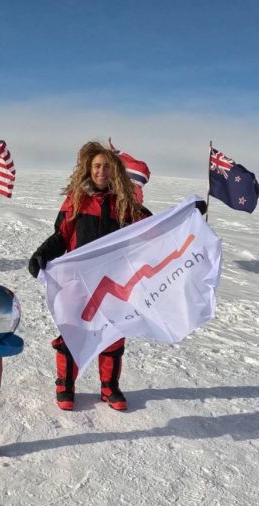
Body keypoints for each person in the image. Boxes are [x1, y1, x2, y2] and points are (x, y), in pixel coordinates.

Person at [29, 141, 204, 411]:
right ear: (88, 168)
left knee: (113, 332)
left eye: (107, 167)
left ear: (115, 171)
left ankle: (109, 387)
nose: (101, 171)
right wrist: (42, 254)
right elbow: (61, 235)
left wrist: (186, 217)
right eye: (97, 166)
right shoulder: (76, 199)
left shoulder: (125, 203)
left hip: (115, 281)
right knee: (73, 330)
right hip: (80, 281)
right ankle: (65, 384)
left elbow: (154, 228)